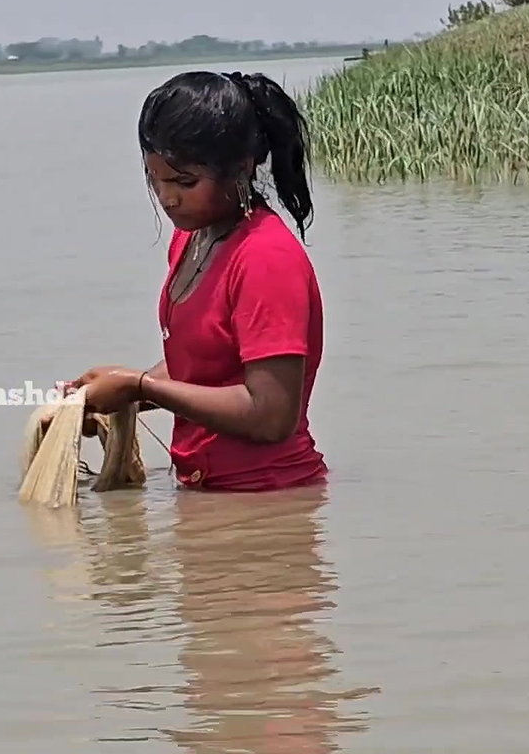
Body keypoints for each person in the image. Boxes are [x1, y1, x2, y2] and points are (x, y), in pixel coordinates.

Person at [59, 70, 328, 492]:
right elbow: (208, 364)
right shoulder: (192, 239)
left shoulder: (264, 258)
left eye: (185, 182)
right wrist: (111, 395)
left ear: (241, 167)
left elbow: (271, 415)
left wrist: (138, 385)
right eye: (156, 180)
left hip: (269, 498)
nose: (168, 198)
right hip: (208, 493)